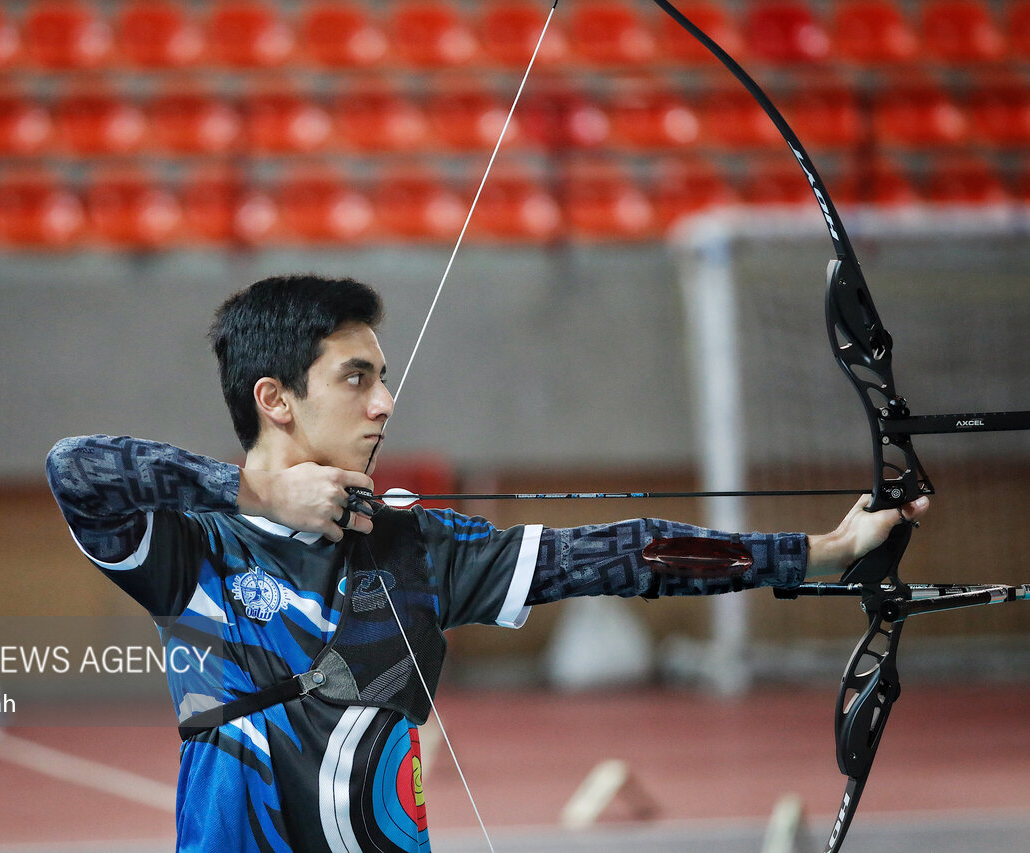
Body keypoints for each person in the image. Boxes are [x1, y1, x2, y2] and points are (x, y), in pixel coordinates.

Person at [45, 273, 928, 853]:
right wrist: (257, 494)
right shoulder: (194, 548)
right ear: (274, 398)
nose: (386, 402)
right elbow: (74, 466)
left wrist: (819, 552)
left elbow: (620, 556)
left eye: (384, 376)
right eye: (357, 377)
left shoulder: (413, 547)